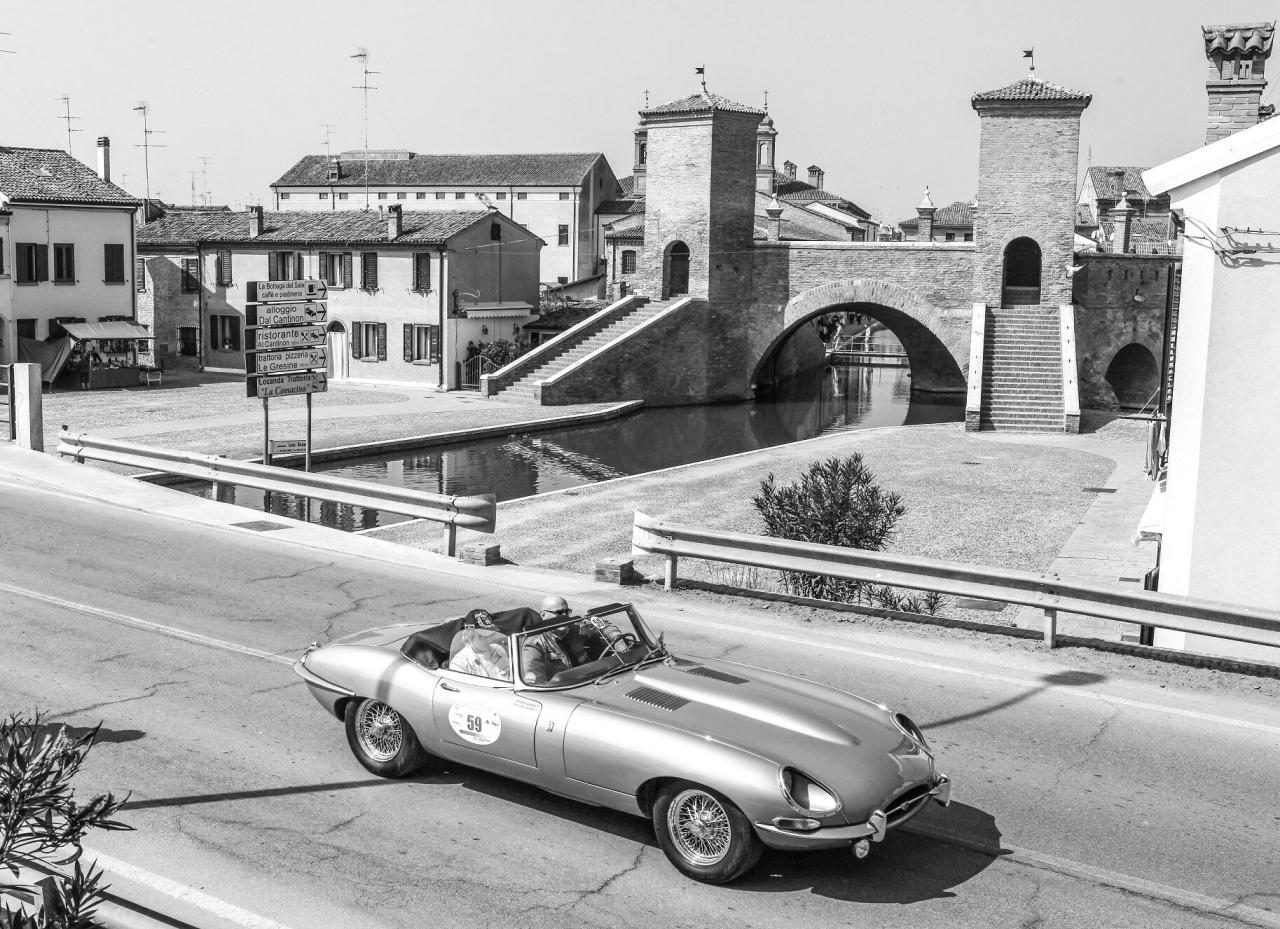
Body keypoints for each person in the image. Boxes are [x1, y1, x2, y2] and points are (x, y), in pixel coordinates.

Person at [520, 595, 579, 685]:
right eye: (559, 613)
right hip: (558, 692)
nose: (564, 616)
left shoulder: (574, 631)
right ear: (543, 615)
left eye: (567, 612)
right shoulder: (534, 644)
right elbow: (537, 684)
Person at [448, 609, 511, 681]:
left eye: (490, 634)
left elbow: (510, 676)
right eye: (482, 636)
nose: (488, 640)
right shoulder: (460, 663)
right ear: (469, 636)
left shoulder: (498, 650)